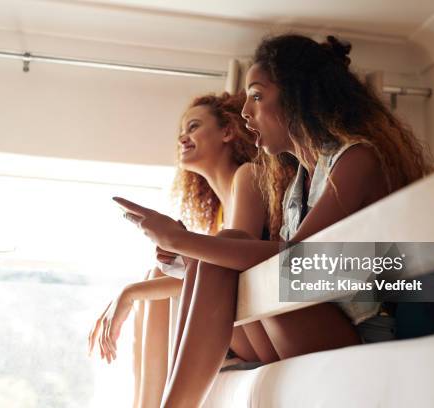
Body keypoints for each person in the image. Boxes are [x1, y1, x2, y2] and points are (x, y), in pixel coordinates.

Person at [114, 33, 434, 407]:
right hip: (296, 316)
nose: (247, 112)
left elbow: (296, 264)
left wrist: (182, 242)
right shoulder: (298, 181)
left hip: (361, 329)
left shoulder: (357, 160)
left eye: (256, 96)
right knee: (221, 253)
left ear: (298, 97)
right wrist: (188, 255)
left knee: (228, 249)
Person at [88, 91, 290, 408]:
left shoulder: (247, 177)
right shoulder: (222, 210)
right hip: (243, 316)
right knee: (156, 272)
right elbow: (210, 278)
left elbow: (228, 272)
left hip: (258, 318)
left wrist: (129, 293)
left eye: (194, 126)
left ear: (228, 131)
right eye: (183, 130)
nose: (183, 137)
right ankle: (145, 403)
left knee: (158, 278)